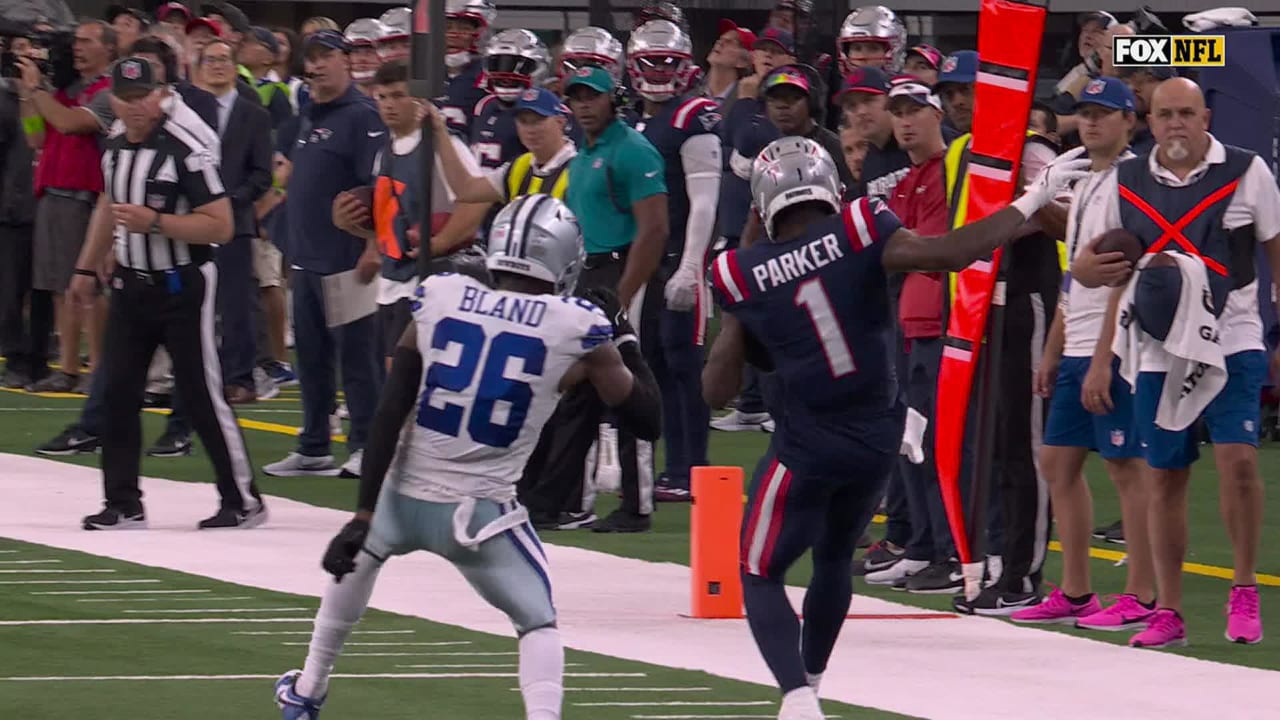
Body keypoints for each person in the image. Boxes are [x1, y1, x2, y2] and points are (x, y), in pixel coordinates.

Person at [702, 136, 1087, 717]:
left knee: (759, 572)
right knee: (833, 558)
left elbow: (717, 390)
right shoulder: (859, 226)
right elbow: (954, 253)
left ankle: (798, 698)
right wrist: (1033, 199)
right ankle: (814, 679)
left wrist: (742, 301)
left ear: (761, 203)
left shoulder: (739, 272)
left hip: (805, 446)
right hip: (876, 437)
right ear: (830, 187)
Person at [272, 194, 662, 720]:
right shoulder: (576, 325)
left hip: (403, 496)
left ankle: (309, 690)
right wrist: (625, 334)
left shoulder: (442, 294)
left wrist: (363, 514)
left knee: (356, 563)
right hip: (479, 516)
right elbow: (647, 419)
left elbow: (391, 409)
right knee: (538, 623)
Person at [1071, 77, 1280, 649]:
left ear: (1206, 117)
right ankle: (1169, 609)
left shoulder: (1247, 170)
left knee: (1238, 460)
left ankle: (1243, 587)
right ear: (1149, 120)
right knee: (1165, 473)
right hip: (1156, 343)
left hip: (1233, 334)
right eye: (1165, 114)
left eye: (1187, 113)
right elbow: (1092, 272)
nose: (1177, 124)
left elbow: (1276, 251)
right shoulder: (1126, 180)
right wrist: (1101, 353)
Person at [67, 56, 265, 530]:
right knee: (116, 391)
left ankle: (242, 499)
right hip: (132, 284)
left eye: (144, 97)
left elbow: (221, 224)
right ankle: (123, 502)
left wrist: (156, 222)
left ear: (161, 94)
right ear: (112, 98)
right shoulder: (114, 143)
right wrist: (85, 266)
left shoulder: (185, 147)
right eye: (127, 98)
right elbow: (108, 203)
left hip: (184, 284)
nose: (136, 107)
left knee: (200, 395)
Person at [1010, 76, 1156, 629]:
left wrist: (1101, 356)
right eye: (1086, 112)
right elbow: (1074, 280)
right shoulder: (1086, 181)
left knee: (1125, 465)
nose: (1091, 121)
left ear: (1128, 122)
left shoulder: (1130, 182)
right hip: (1078, 341)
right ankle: (1076, 591)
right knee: (1057, 462)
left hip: (1114, 344)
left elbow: (1123, 273)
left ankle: (1142, 594)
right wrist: (1054, 350)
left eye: (1104, 112)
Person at [518, 66, 669, 533]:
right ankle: (566, 500)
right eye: (577, 97)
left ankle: (636, 505)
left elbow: (655, 229)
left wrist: (621, 298)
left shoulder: (631, 150)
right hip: (589, 270)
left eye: (593, 97)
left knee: (629, 388)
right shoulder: (584, 155)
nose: (584, 104)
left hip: (623, 270)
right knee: (578, 389)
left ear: (613, 100)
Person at [262, 29, 386, 480]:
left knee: (357, 359)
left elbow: (377, 190)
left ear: (346, 62)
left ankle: (367, 444)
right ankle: (314, 445)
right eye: (309, 59)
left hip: (346, 259)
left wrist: (372, 246)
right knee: (311, 360)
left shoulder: (362, 117)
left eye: (324, 57)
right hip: (306, 259)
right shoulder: (310, 116)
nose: (314, 67)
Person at [331, 59, 489, 367]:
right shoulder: (386, 150)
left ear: (419, 99)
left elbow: (477, 201)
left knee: (405, 374)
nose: (389, 105)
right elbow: (390, 223)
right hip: (390, 280)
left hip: (428, 278)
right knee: (392, 373)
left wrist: (440, 244)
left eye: (398, 95)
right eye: (383, 97)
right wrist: (351, 226)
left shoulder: (443, 145)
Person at [626, 19, 723, 502]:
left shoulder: (693, 116)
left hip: (681, 257)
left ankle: (694, 468)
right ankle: (673, 465)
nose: (660, 71)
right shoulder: (635, 121)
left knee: (685, 366)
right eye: (652, 62)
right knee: (656, 362)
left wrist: (691, 265)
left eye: (669, 62)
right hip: (647, 261)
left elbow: (704, 200)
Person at [429, 86, 576, 206]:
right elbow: (465, 190)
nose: (530, 130)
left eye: (538, 121)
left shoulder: (579, 169)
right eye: (523, 121)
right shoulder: (520, 166)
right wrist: (441, 131)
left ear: (560, 122)